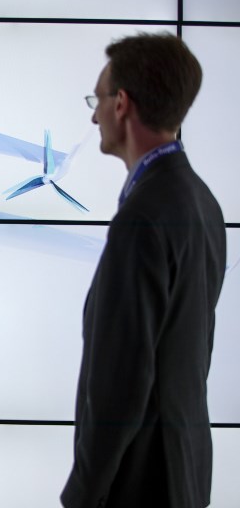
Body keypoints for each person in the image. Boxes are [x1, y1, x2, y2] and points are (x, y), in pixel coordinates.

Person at [61, 33, 227, 508]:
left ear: (122, 104)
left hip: (139, 483)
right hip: (185, 473)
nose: (94, 116)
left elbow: (121, 383)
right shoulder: (203, 203)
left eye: (97, 100)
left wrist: (82, 494)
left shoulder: (142, 217)